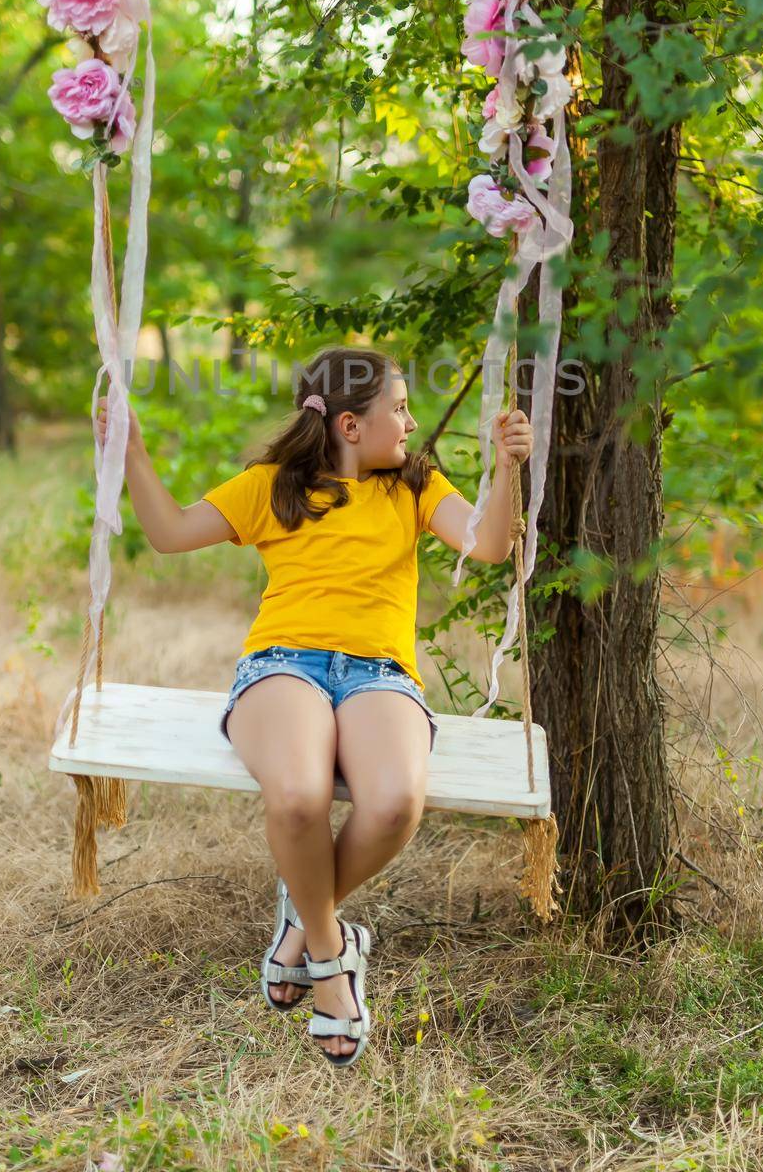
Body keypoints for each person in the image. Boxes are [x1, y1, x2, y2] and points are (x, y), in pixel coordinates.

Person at [96, 345, 530, 1065]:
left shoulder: (414, 485)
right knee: (296, 799)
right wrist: (129, 452)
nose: (410, 421)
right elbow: (168, 534)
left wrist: (507, 468)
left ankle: (302, 922)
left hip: (379, 675)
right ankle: (330, 963)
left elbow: (487, 545)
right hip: (283, 665)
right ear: (351, 426)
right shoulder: (273, 486)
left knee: (393, 804)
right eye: (398, 407)